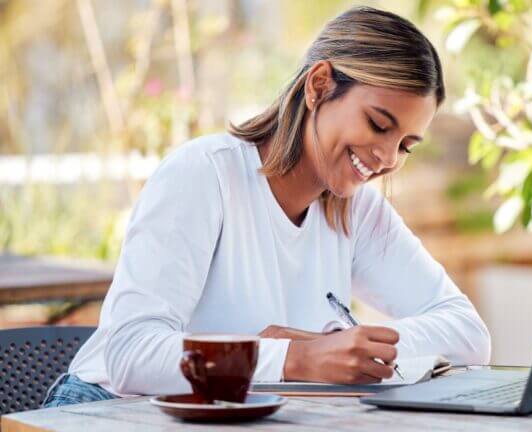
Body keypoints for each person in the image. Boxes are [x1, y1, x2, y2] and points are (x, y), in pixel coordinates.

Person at [43, 5, 491, 408]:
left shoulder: (358, 211)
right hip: (104, 408)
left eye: (406, 145)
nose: (388, 159)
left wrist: (333, 344)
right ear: (319, 85)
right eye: (378, 124)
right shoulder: (206, 175)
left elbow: (468, 335)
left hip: (228, 416)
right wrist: (298, 358)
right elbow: (132, 355)